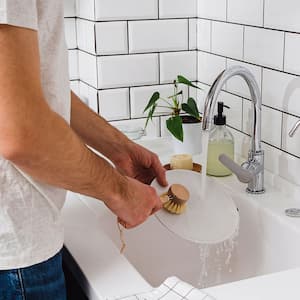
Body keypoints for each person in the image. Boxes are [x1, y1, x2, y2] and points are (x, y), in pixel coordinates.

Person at [0, 1, 167, 299]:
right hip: (14, 257)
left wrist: (118, 147)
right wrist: (121, 193)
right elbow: (23, 134)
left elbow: (34, 90)